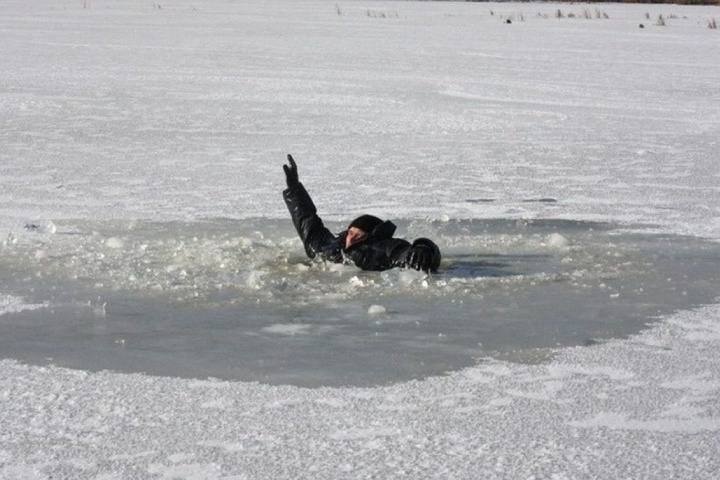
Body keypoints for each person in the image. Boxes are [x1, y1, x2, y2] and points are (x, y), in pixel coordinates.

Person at [282, 154, 441, 272]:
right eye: (351, 232)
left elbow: (407, 252)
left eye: (359, 235)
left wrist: (424, 247)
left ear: (371, 236)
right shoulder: (328, 247)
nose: (352, 238)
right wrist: (294, 189)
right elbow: (308, 221)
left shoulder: (384, 248)